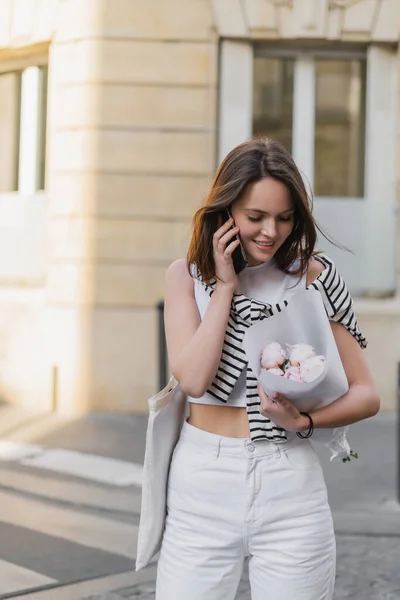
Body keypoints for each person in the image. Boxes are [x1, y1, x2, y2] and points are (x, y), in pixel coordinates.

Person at [156, 138, 380, 600]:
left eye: (284, 217)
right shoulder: (186, 277)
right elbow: (194, 379)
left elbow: (366, 394)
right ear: (226, 211)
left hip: (289, 482)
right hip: (203, 482)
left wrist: (305, 421)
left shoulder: (315, 278)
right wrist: (224, 288)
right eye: (255, 217)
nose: (270, 232)